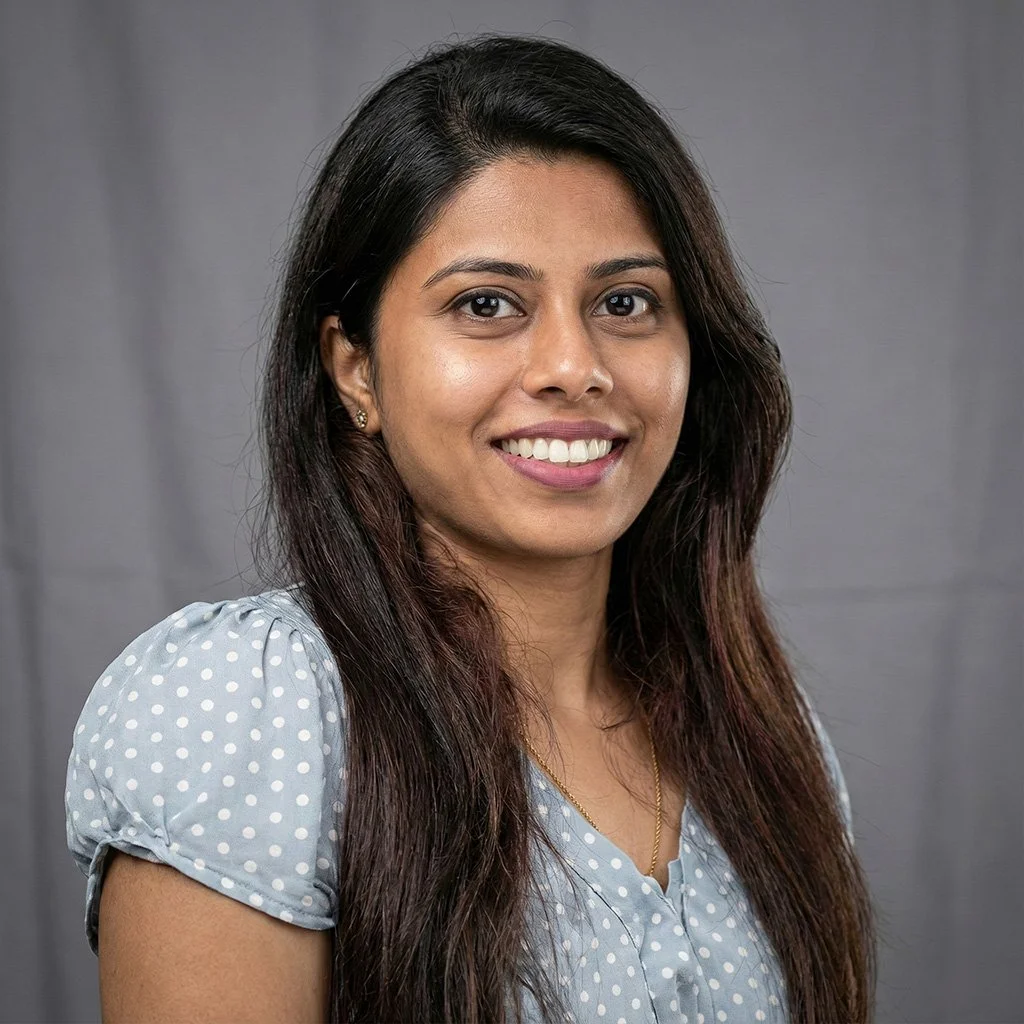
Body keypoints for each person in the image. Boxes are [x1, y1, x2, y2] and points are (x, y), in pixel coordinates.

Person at [64, 33, 876, 1024]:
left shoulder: (761, 730)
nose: (573, 365)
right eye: (487, 304)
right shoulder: (255, 710)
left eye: (626, 301)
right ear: (355, 368)